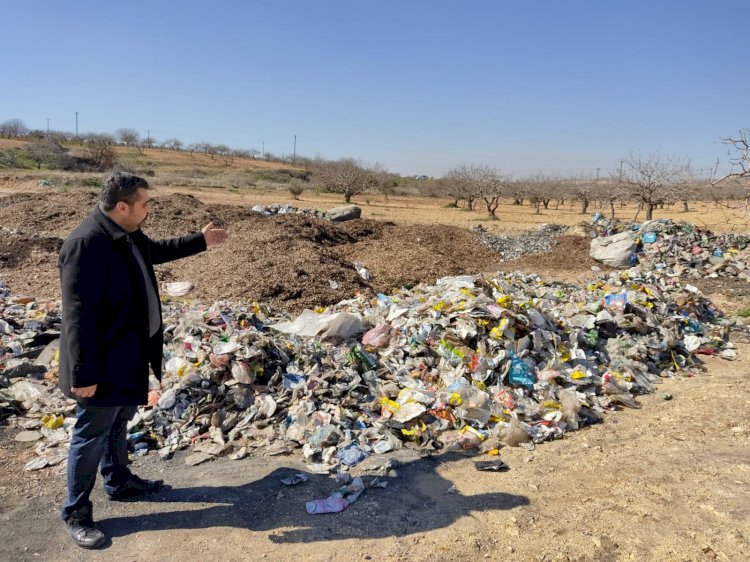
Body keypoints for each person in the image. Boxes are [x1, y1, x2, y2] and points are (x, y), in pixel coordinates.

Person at [58, 172, 228, 549]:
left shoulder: (126, 234)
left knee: (119, 422)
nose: (150, 209)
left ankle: (119, 481)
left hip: (126, 355)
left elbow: (156, 251)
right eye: (145, 203)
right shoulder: (87, 243)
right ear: (123, 206)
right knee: (91, 436)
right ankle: (76, 513)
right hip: (100, 364)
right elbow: (77, 315)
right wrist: (83, 373)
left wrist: (201, 240)